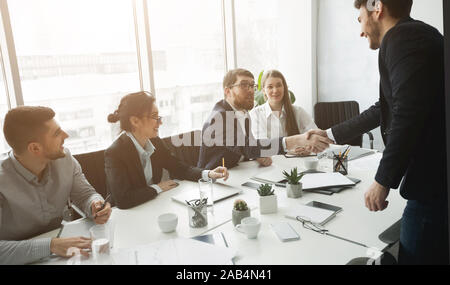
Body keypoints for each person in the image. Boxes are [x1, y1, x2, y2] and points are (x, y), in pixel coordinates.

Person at [309, 0, 448, 264]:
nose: (361, 31)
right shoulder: (421, 34)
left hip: (432, 187)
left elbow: (408, 113)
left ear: (377, 7)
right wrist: (329, 134)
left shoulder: (401, 38)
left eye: (359, 19)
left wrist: (382, 181)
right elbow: (383, 109)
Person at [0, 106, 112, 265]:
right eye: (57, 133)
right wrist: (51, 245)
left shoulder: (65, 159)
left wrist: (94, 204)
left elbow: (85, 195)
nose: (66, 135)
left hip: (63, 253)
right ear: (35, 148)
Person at [105, 91, 229, 210]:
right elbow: (123, 199)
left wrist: (208, 174)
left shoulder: (155, 142)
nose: (160, 122)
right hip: (127, 215)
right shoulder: (115, 153)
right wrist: (157, 188)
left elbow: (180, 168)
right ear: (135, 121)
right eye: (154, 117)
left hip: (151, 206)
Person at [198, 68, 332, 170]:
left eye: (252, 85)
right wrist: (296, 140)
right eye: (244, 85)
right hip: (215, 180)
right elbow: (247, 147)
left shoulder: (243, 113)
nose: (250, 90)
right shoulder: (220, 117)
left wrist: (258, 156)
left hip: (237, 172)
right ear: (227, 91)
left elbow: (247, 148)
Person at [249, 70, 317, 155]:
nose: (275, 90)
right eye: (270, 87)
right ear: (263, 90)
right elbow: (263, 146)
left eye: (279, 85)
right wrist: (289, 150)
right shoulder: (255, 114)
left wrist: (309, 147)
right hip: (272, 165)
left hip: (300, 163)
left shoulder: (298, 111)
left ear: (284, 87)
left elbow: (315, 135)